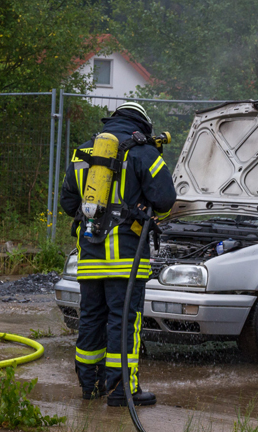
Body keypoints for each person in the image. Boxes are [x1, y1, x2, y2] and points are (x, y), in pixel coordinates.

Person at [60, 102, 176, 407]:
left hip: (90, 256)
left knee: (91, 320)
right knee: (124, 321)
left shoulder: (83, 152)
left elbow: (68, 201)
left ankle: (89, 386)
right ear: (142, 124)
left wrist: (92, 220)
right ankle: (123, 390)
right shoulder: (144, 151)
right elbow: (165, 200)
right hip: (127, 258)